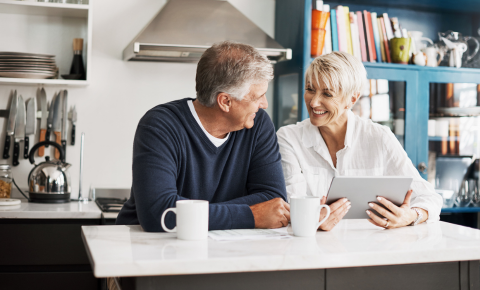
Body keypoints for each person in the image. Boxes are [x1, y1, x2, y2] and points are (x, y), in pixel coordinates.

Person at [116, 41, 290, 232]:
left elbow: (273, 199)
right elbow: (160, 213)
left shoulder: (257, 124)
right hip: (149, 248)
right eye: (258, 97)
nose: (264, 104)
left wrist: (194, 213)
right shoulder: (160, 126)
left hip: (221, 245)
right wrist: (251, 215)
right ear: (225, 101)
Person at [277, 51, 442, 231]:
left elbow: (429, 197)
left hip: (371, 251)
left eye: (327, 94)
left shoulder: (379, 137)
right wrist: (314, 220)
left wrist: (411, 215)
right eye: (310, 89)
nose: (314, 102)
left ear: (352, 99)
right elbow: (290, 207)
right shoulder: (289, 138)